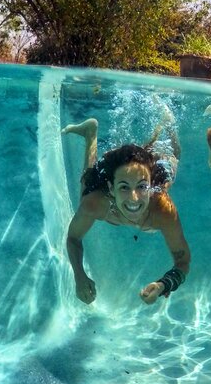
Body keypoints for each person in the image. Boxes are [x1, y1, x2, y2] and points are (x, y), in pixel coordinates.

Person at [62, 112, 190, 305]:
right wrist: (79, 275)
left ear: (150, 187)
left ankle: (168, 121)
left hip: (157, 172)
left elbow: (183, 261)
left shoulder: (162, 209)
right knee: (87, 186)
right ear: (111, 189)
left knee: (174, 153)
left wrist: (163, 284)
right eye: (123, 187)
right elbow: (73, 237)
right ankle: (91, 133)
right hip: (107, 195)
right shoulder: (96, 203)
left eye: (141, 187)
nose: (134, 198)